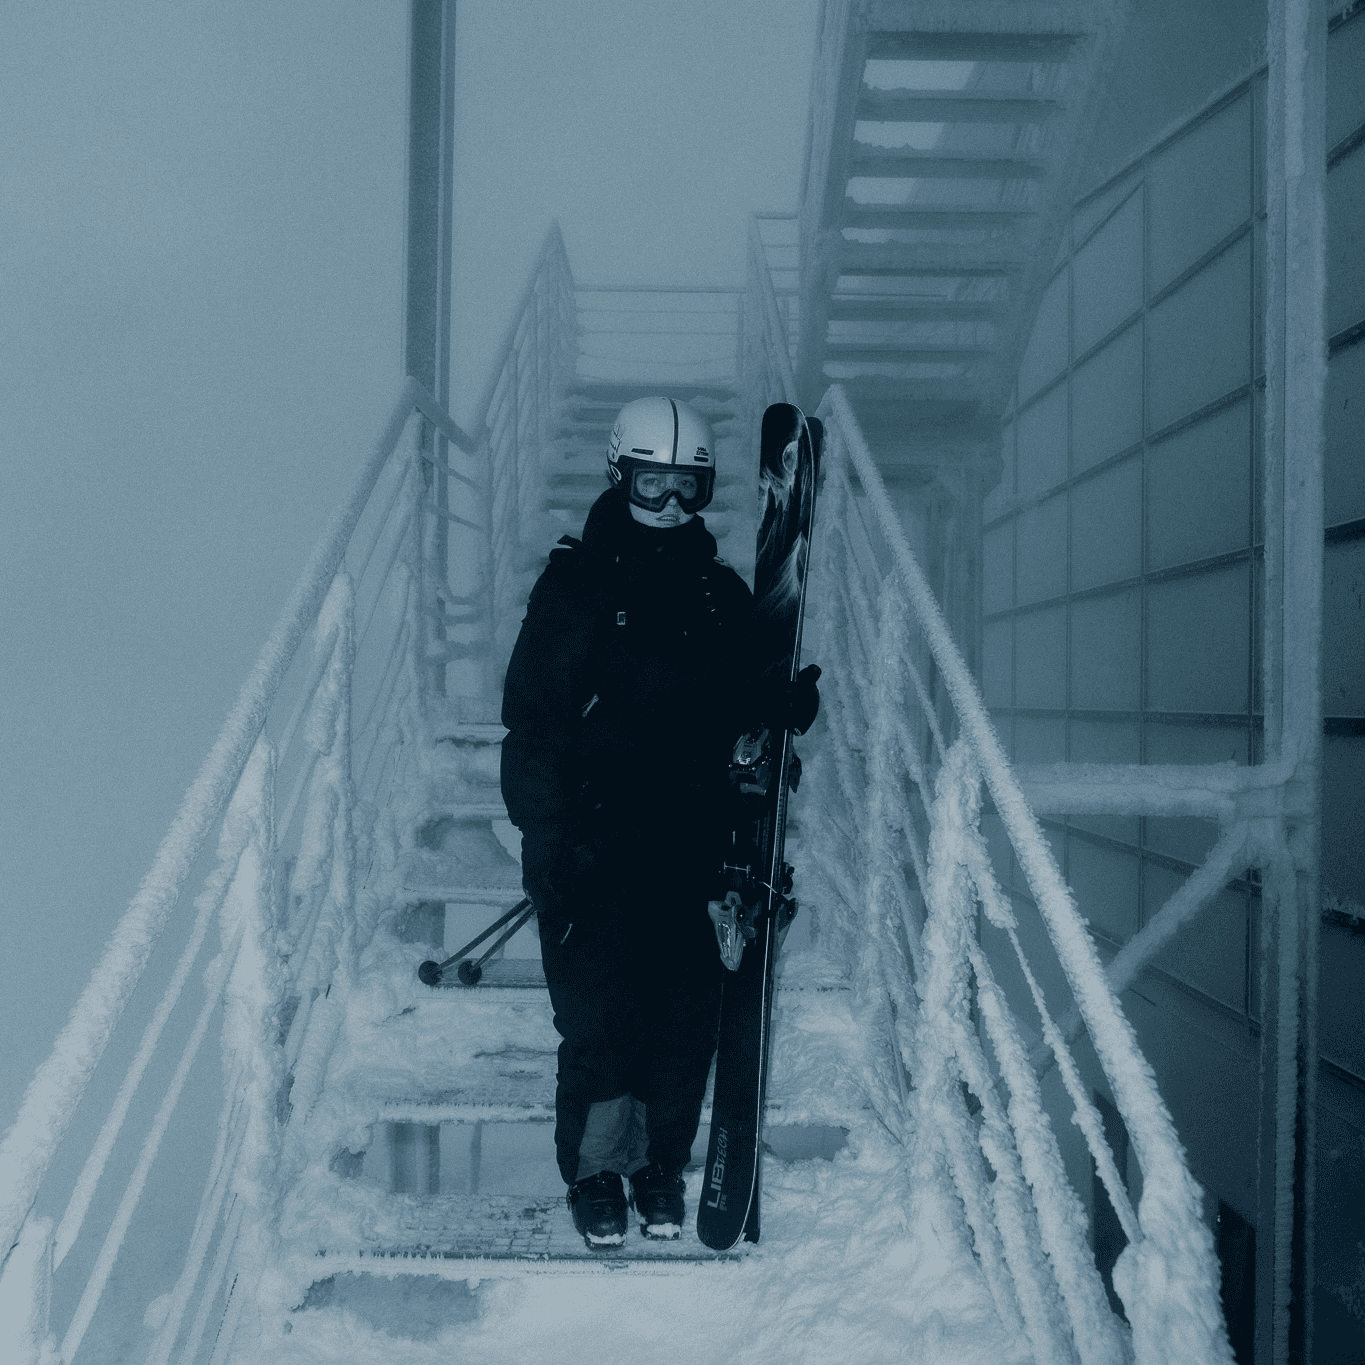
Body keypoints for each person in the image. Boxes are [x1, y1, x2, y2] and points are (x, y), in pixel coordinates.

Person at [500, 396, 819, 1248]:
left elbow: (733, 708)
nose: (670, 507)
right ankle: (598, 1173)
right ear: (620, 479)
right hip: (594, 843)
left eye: (685, 488)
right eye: (651, 487)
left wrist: (778, 702)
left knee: (682, 1016)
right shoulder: (574, 585)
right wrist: (549, 842)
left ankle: (657, 1169)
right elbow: (532, 722)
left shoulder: (719, 595)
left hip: (689, 842)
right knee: (602, 1019)